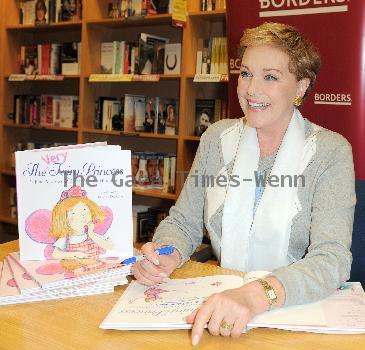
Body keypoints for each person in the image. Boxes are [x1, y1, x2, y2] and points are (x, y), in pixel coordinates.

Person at [131, 22, 356, 345]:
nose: (251, 90)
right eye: (246, 73)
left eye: (270, 77)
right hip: (221, 305)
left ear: (300, 88)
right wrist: (167, 254)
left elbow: (332, 259)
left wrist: (255, 295)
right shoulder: (217, 138)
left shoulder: (330, 151)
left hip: (292, 311)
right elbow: (183, 221)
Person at [49, 186, 114, 260]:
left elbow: (110, 246)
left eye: (84, 210)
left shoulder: (90, 235)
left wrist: (92, 234)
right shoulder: (66, 238)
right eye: (73, 212)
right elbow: (56, 254)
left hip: (95, 268)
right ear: (64, 218)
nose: (81, 215)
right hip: (75, 269)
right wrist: (75, 254)